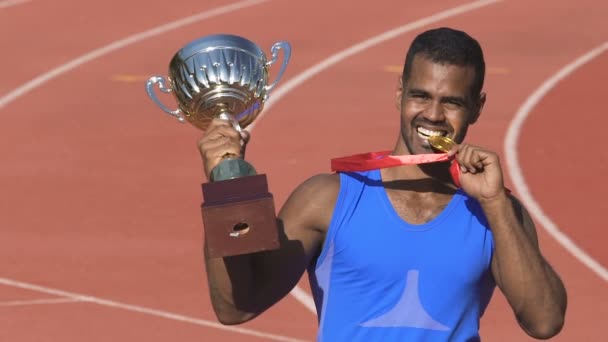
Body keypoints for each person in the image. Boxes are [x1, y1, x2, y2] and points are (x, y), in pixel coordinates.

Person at [197, 27, 567, 341]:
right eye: (421, 95)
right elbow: (237, 307)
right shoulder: (327, 199)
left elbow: (545, 321)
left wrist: (495, 203)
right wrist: (227, 188)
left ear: (477, 107)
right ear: (399, 93)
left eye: (451, 101)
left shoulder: (492, 213)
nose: (434, 115)